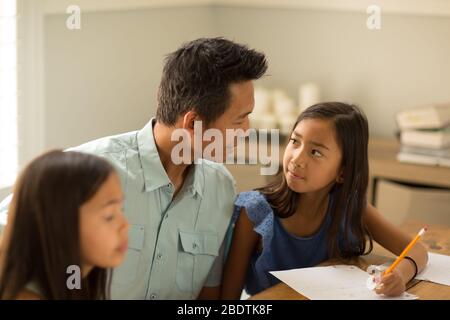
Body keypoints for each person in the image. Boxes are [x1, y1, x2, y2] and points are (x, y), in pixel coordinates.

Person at [0, 37, 268, 299]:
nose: (247, 131)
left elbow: (207, 293)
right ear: (193, 123)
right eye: (239, 120)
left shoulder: (220, 188)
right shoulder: (88, 173)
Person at [221, 102, 428, 299]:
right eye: (295, 141)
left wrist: (400, 274)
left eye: (316, 152)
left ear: (343, 172)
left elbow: (417, 250)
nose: (297, 158)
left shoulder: (351, 207)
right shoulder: (255, 212)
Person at [0, 150, 129, 299]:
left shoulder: (71, 272)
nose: (125, 225)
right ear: (59, 222)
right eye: (109, 216)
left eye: (122, 209)